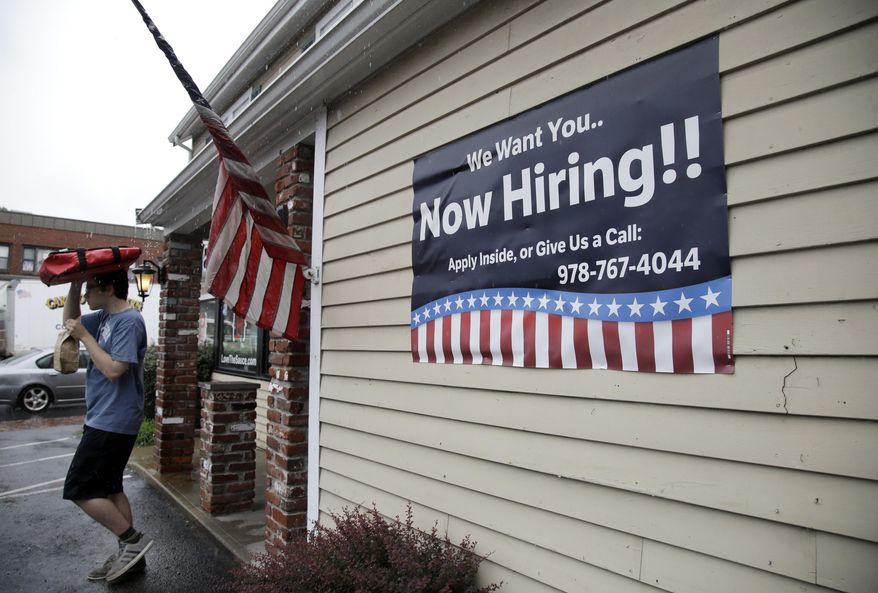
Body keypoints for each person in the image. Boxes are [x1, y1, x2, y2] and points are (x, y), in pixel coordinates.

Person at [61, 269, 153, 583]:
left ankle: (132, 540)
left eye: (90, 288)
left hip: (116, 418)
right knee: (111, 488)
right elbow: (69, 324)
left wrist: (85, 338)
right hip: (103, 415)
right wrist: (74, 286)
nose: (87, 296)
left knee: (79, 488)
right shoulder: (103, 318)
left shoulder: (129, 320)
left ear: (109, 288)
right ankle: (132, 559)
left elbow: (115, 369)